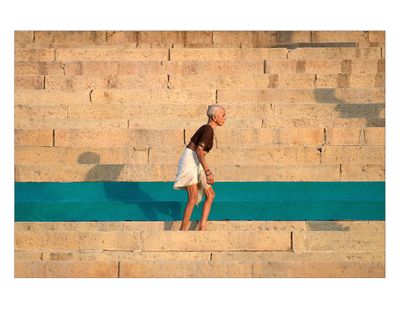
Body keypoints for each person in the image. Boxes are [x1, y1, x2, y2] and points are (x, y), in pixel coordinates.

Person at [173, 105, 226, 231]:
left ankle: (202, 227)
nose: (225, 118)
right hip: (190, 161)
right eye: (223, 115)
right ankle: (183, 231)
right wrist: (207, 171)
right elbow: (199, 150)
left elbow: (200, 153)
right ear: (214, 117)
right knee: (193, 197)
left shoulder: (208, 129)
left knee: (210, 195)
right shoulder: (207, 129)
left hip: (197, 161)